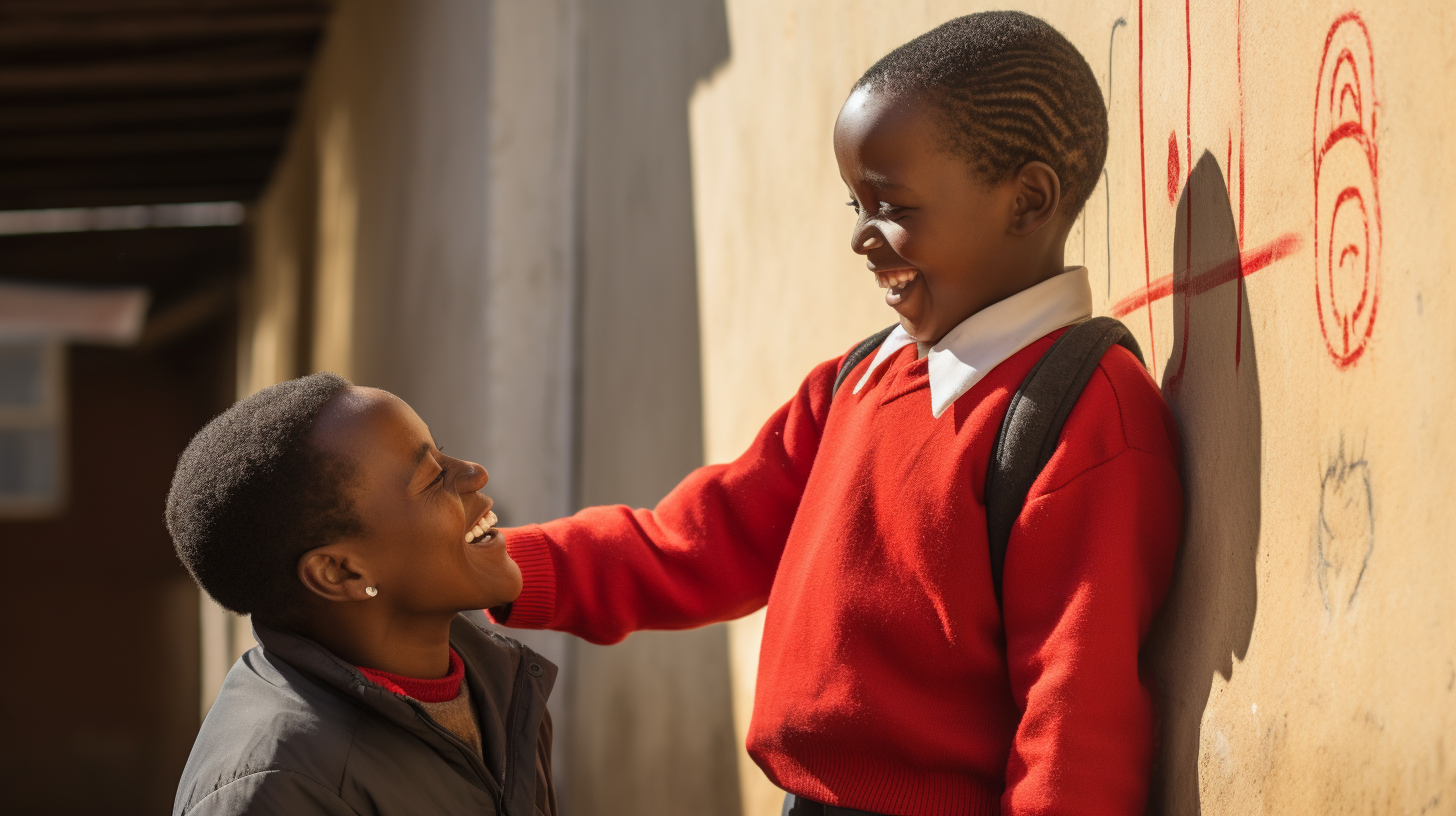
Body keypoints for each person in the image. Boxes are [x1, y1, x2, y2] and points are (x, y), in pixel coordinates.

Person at [489, 11, 1181, 816]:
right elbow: (697, 541)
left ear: (1026, 200)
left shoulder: (1083, 415)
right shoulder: (857, 379)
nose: (862, 238)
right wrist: (503, 568)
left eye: (891, 206)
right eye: (853, 205)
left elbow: (1074, 725)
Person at [167, 372, 556, 816]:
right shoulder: (277, 790)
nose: (473, 473)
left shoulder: (501, 689)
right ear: (340, 572)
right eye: (431, 479)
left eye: (440, 449)